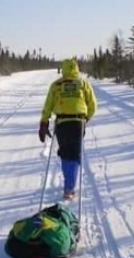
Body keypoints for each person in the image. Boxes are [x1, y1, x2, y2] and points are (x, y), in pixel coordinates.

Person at [38, 58, 97, 198]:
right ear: (76, 68)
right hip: (77, 122)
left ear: (63, 69)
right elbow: (93, 105)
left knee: (65, 153)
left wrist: (44, 123)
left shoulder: (56, 85)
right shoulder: (83, 83)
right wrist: (87, 118)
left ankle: (68, 186)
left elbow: (48, 106)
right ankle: (69, 188)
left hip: (61, 123)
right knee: (74, 154)